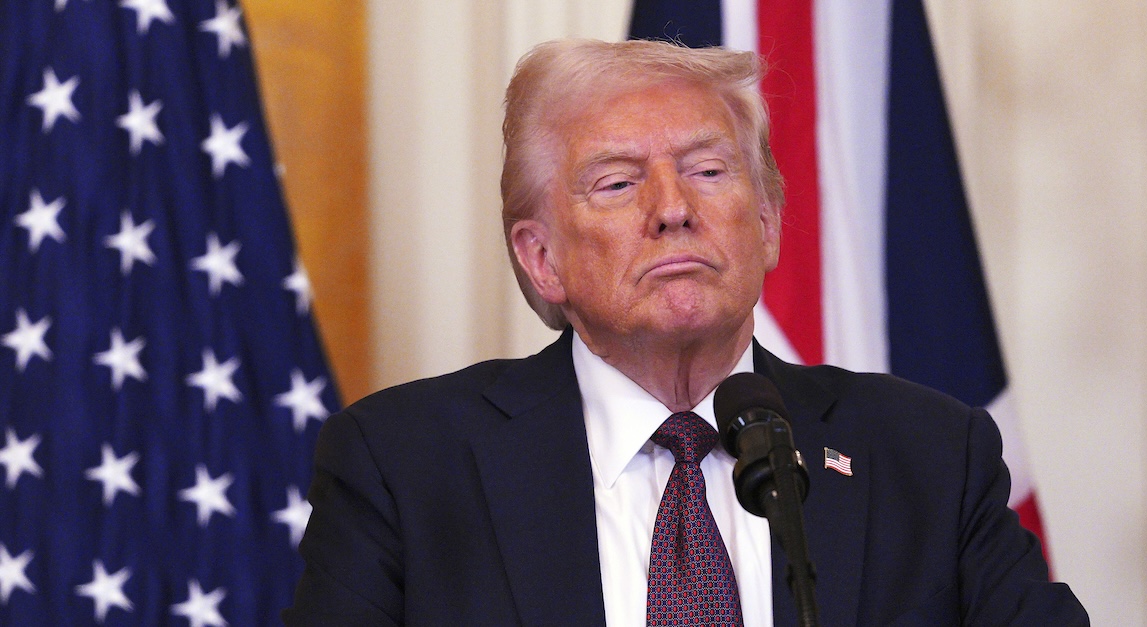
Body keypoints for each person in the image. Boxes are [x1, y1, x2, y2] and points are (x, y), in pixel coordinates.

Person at [284, 39, 1088, 626]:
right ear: (541, 259)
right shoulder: (405, 465)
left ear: (767, 224)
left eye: (708, 170)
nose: (673, 207)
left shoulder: (927, 455)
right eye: (618, 181)